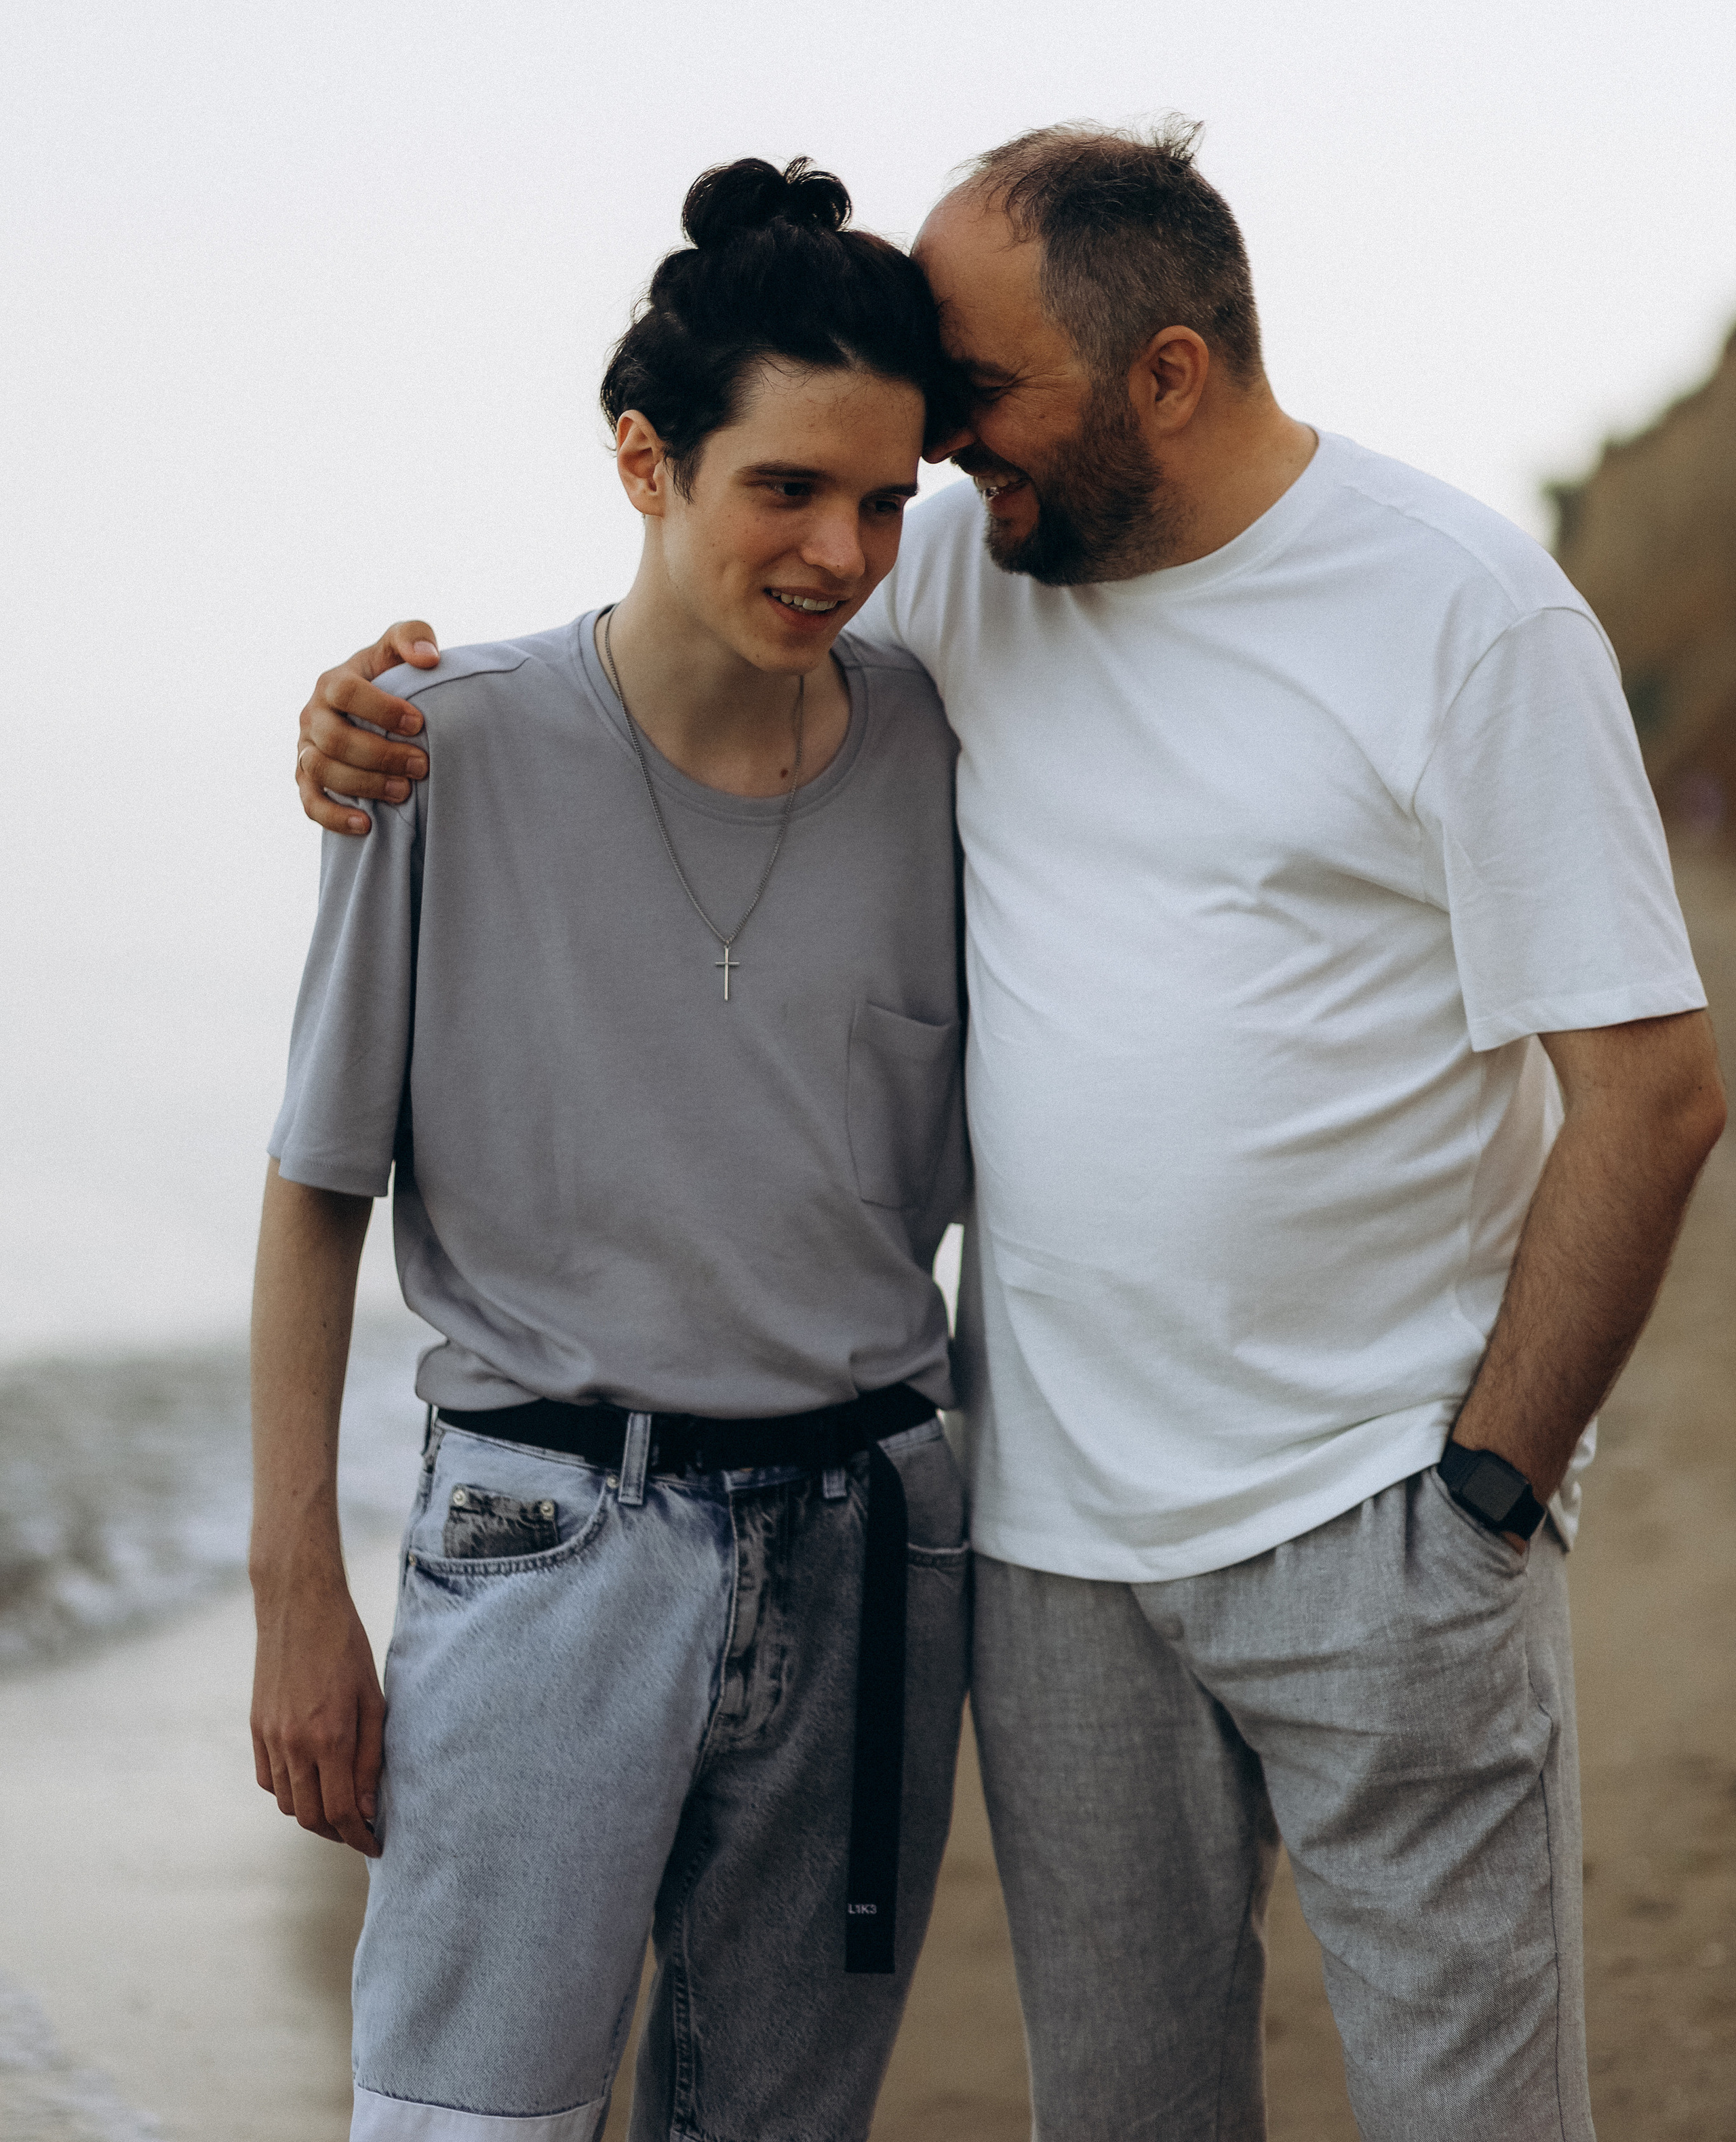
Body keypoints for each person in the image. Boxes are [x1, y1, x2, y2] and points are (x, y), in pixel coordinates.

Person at [292, 123, 1726, 2142]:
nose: (934, 466)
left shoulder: (1465, 613)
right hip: (1051, 1555)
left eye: (978, 403)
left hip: (1376, 1518)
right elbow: (702, 624)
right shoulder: (966, 557)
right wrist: (378, 725)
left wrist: (1489, 1486)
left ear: (1167, 373)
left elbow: (1655, 1092)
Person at [251, 156, 976, 2142]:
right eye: (789, 488)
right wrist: (295, 1593)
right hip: (547, 1544)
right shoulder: (433, 746)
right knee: (463, 2128)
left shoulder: (941, 750)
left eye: (888, 502)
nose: (842, 548)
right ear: (647, 462)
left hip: (867, 1564)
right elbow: (320, 1185)